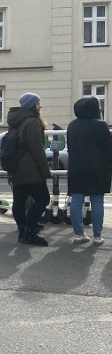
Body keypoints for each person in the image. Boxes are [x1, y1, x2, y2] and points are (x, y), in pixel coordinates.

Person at [4, 92, 51, 246]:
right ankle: (29, 232)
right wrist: (45, 170)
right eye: (38, 103)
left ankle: (23, 229)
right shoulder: (31, 122)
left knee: (19, 199)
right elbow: (37, 149)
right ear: (32, 105)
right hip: (30, 168)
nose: (40, 106)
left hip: (16, 167)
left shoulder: (16, 120)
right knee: (43, 198)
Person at [67, 96, 112, 246]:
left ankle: (78, 234)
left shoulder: (72, 125)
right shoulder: (101, 125)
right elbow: (108, 149)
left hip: (76, 167)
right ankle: (98, 236)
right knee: (97, 201)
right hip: (97, 168)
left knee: (77, 200)